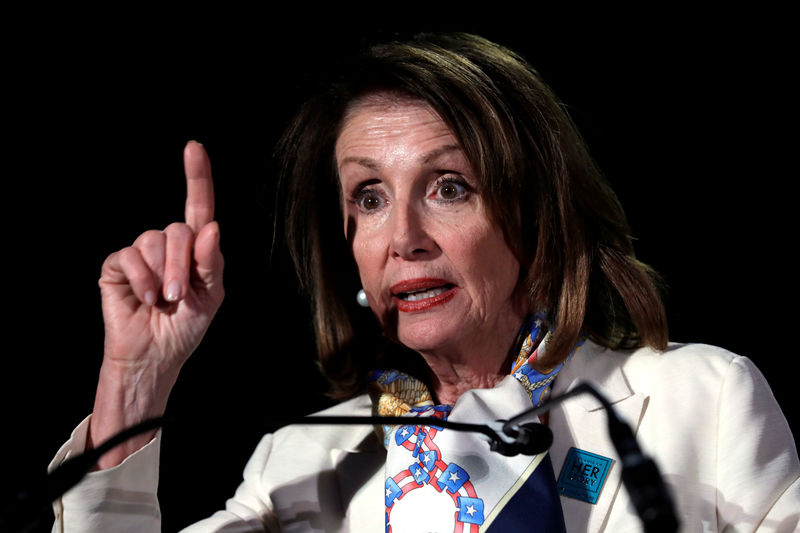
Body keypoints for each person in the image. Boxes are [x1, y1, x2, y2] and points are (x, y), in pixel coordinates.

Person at [49, 33, 799, 532]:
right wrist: (135, 384)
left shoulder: (700, 400)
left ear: (536, 212)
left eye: (448, 186)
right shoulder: (300, 462)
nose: (403, 237)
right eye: (368, 198)